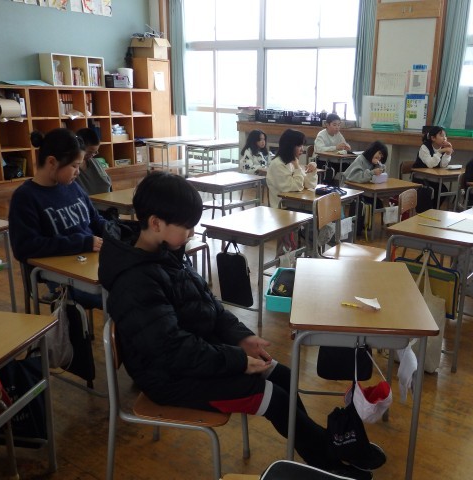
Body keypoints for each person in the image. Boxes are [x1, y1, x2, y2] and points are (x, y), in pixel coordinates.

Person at [97, 172, 384, 480]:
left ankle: (325, 449)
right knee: (274, 397)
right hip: (170, 377)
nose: (192, 233)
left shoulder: (165, 253)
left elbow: (206, 304)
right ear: (156, 223)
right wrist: (237, 361)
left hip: (198, 354)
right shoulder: (135, 281)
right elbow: (171, 351)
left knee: (283, 375)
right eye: (187, 226)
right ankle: (328, 459)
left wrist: (241, 337)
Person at [8, 128, 105, 308]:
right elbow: (24, 247)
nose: (78, 172)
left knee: (134, 283)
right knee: (120, 297)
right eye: (74, 166)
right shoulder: (25, 197)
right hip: (61, 276)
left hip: (90, 264)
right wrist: (81, 243)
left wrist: (115, 232)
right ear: (52, 162)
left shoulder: (72, 186)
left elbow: (95, 220)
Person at [266, 129, 318, 209]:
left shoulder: (292, 161)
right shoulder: (277, 164)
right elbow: (297, 186)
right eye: (299, 146)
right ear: (289, 146)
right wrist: (297, 167)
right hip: (283, 209)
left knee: (322, 206)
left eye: (302, 145)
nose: (302, 149)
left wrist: (312, 171)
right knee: (317, 210)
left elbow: (309, 185)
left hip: (295, 205)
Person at [412, 126, 454, 206]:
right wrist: (440, 152)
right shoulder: (424, 147)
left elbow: (443, 165)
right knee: (429, 191)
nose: (444, 138)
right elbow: (430, 164)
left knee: (443, 190)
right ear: (433, 138)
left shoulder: (442, 148)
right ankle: (427, 210)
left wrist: (447, 154)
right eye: (441, 135)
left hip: (432, 177)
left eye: (445, 136)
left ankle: (434, 209)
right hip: (420, 177)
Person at [75, 128, 111, 195]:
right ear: (79, 148)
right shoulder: (72, 168)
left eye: (95, 152)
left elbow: (107, 184)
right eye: (89, 152)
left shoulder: (95, 162)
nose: (92, 155)